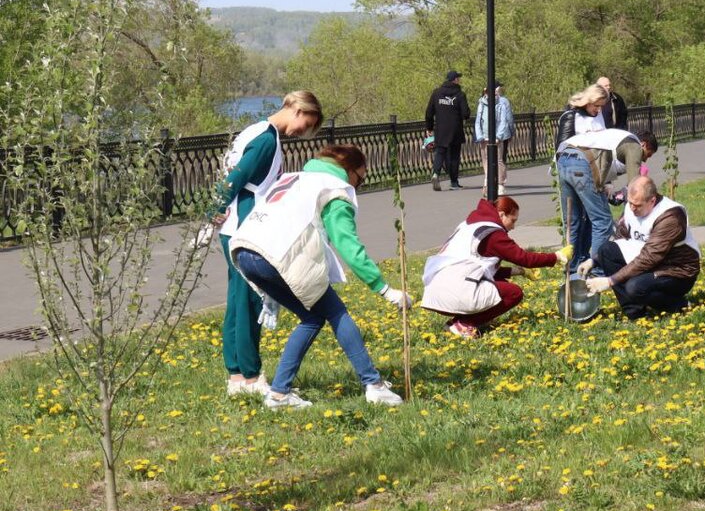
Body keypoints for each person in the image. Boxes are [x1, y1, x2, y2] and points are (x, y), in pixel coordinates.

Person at [230, 144, 410, 408]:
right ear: (349, 171)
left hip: (245, 251)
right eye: (361, 178)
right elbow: (348, 245)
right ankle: (374, 385)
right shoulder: (334, 191)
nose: (359, 184)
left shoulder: (297, 177)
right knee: (335, 312)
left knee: (313, 317)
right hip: (277, 256)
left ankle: (280, 393)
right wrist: (383, 288)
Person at [213, 90, 323, 398]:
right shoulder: (266, 140)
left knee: (238, 298)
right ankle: (249, 376)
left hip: (235, 225)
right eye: (307, 125)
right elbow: (238, 177)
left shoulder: (258, 130)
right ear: (298, 111)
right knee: (250, 299)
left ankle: (236, 375)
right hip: (244, 226)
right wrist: (215, 209)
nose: (304, 133)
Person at [421, 196, 573, 338]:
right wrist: (557, 257)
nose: (513, 227)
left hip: (437, 289)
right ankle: (464, 323)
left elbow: (478, 269)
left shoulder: (470, 225)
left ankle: (459, 322)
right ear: (501, 215)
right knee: (513, 293)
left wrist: (518, 271)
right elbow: (524, 258)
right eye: (512, 220)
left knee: (501, 286)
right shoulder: (494, 234)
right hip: (455, 290)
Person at [580, 176, 701, 320]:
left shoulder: (670, 216)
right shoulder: (632, 207)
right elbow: (621, 238)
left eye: (637, 205)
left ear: (652, 201)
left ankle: (678, 304)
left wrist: (610, 281)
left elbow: (650, 257)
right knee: (606, 251)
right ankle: (635, 314)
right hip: (650, 262)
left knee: (635, 287)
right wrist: (594, 261)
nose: (632, 208)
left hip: (677, 270)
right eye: (630, 203)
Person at [557, 128, 657, 272]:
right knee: (603, 221)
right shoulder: (634, 145)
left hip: (563, 156)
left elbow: (602, 169)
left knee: (574, 221)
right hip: (582, 161)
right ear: (644, 144)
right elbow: (635, 186)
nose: (645, 159)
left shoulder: (614, 138)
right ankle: (596, 271)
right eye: (649, 154)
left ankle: (572, 270)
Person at [425, 70, 472, 191]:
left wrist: (429, 127)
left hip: (441, 129)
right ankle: (454, 182)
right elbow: (465, 113)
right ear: (455, 80)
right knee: (454, 156)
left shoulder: (436, 93)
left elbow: (429, 112)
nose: (459, 80)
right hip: (455, 129)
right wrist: (465, 114)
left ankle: (435, 174)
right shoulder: (460, 94)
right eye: (458, 78)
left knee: (440, 152)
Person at [474, 81, 516, 195]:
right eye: (487, 92)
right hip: (484, 136)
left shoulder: (501, 104)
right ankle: (487, 182)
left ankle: (500, 184)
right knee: (486, 160)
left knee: (498, 160)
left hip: (497, 137)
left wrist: (499, 136)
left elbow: (503, 121)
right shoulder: (481, 104)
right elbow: (478, 121)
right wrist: (480, 136)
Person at [554, 83, 608, 149]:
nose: (599, 110)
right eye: (596, 106)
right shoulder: (571, 116)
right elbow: (561, 149)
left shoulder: (599, 115)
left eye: (602, 106)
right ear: (588, 102)